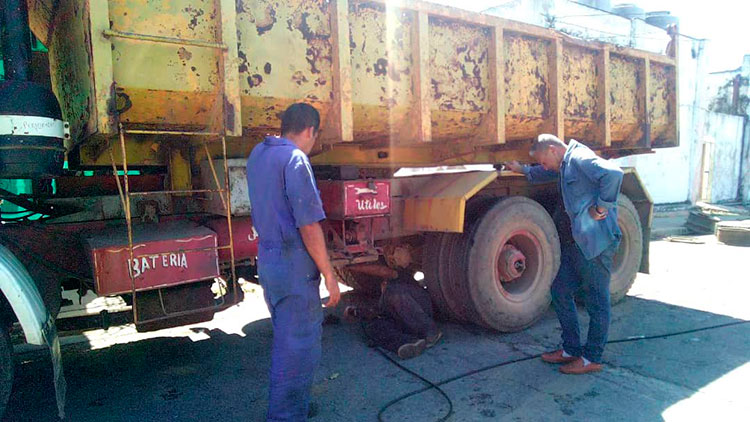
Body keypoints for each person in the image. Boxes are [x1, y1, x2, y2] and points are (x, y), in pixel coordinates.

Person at [246, 103, 341, 421]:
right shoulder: (295, 160)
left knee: (286, 338)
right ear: (310, 130)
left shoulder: (258, 154)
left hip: (269, 259)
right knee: (298, 348)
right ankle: (286, 415)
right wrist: (328, 273)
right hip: (293, 262)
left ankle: (292, 407)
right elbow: (309, 225)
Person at [506, 134, 623, 375]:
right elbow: (548, 173)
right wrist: (524, 170)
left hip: (596, 243)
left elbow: (613, 174)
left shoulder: (579, 157)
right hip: (580, 242)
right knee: (559, 289)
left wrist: (602, 206)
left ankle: (592, 358)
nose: (544, 166)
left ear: (552, 149)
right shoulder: (565, 162)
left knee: (596, 300)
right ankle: (571, 349)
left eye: (544, 161)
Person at [345, 272, 442, 359]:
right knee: (374, 326)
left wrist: (351, 266)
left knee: (394, 292)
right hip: (406, 322)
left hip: (421, 309)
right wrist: (354, 311)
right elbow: (374, 313)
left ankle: (430, 331)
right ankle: (410, 343)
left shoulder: (399, 282)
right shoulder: (383, 300)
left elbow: (389, 273)